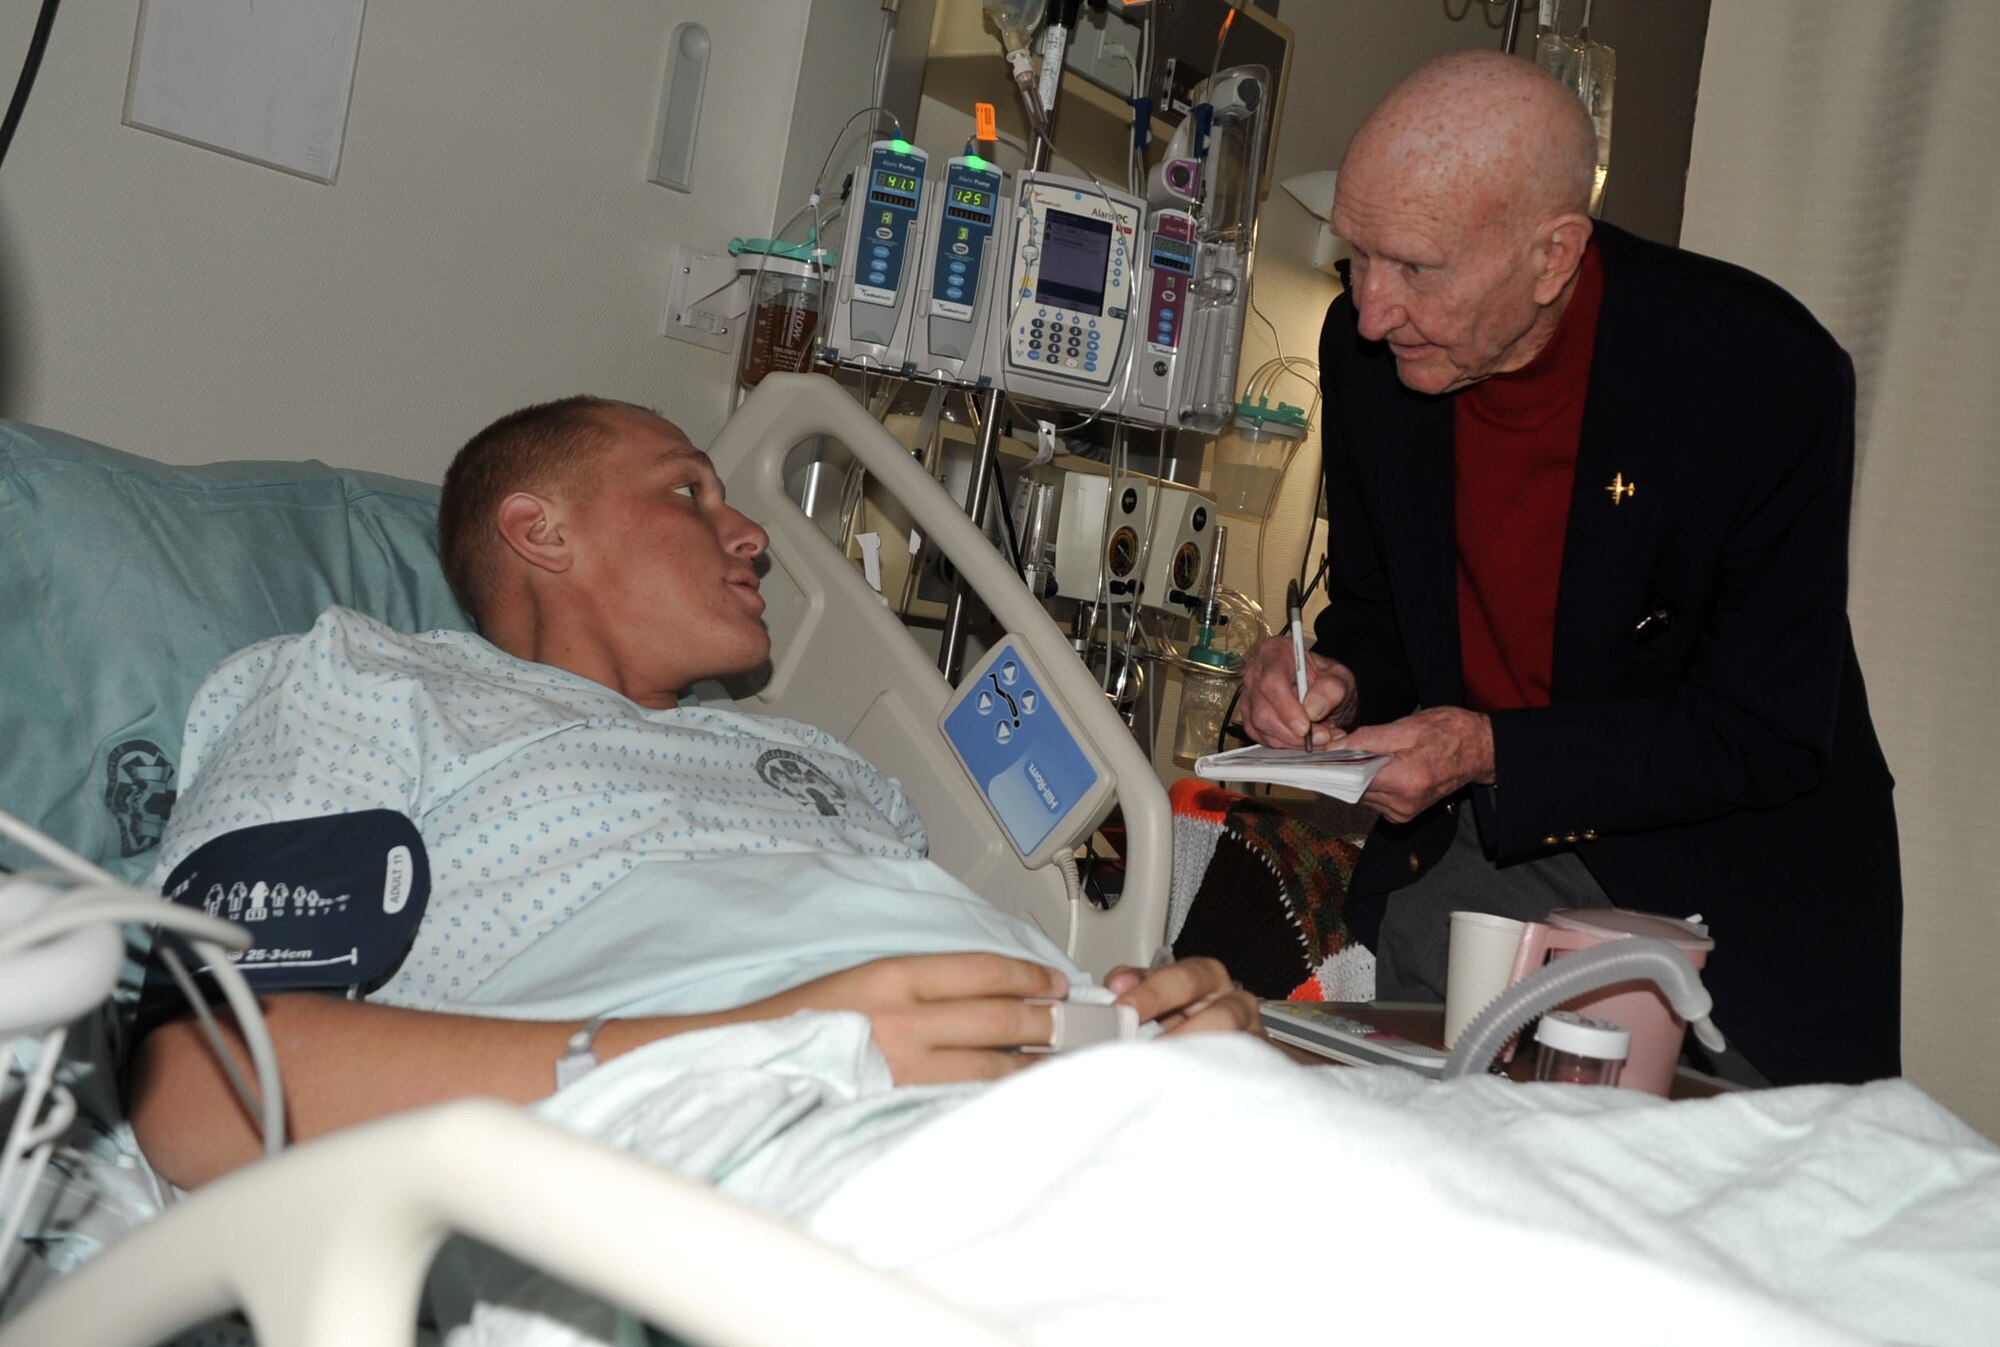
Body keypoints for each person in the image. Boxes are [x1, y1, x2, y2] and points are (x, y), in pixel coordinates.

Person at [129, 396, 1256, 1189]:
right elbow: (202, 1086)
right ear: (540, 530)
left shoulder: (834, 767)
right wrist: (755, 1045)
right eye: (686, 490)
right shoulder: (372, 683)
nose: (755, 535)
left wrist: (1153, 1024)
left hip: (1070, 1096)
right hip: (756, 1130)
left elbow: (942, 995)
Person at [1236, 50, 1899, 1087]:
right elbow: (1383, 609)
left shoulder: (1756, 375)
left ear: (1552, 256)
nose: (1368, 310)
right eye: (1353, 256)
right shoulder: (1366, 358)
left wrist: (1486, 749)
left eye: (1412, 269)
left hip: (1715, 876)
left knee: (1690, 1207)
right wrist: (1330, 672)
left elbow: (1761, 733)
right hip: (1480, 853)